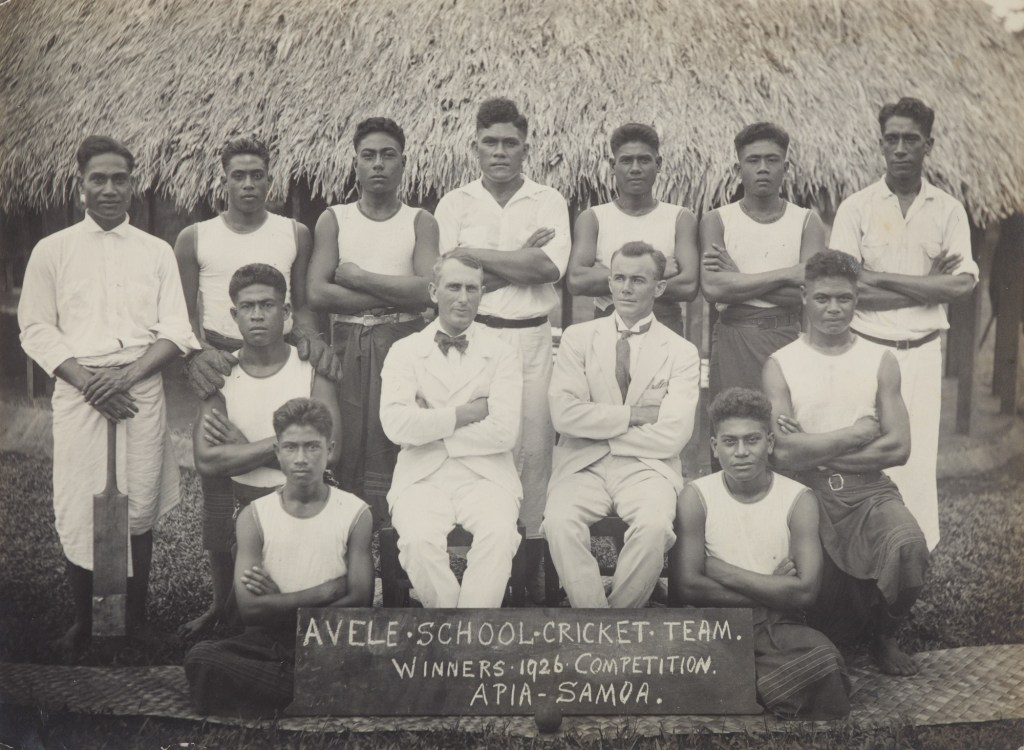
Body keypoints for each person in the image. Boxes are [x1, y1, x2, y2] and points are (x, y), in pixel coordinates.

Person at [18, 135, 199, 657]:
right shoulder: (51, 251)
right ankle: (84, 622)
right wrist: (88, 381)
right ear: (80, 187)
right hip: (79, 393)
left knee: (137, 504)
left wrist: (125, 378)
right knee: (81, 503)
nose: (109, 189)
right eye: (98, 179)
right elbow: (35, 329)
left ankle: (134, 622)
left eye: (120, 178)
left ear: (133, 184)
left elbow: (176, 331)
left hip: (139, 389)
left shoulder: (156, 251)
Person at [174, 136, 337, 637]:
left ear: (271, 178)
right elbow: (181, 316)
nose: (248, 184)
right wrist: (198, 359)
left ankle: (287, 584)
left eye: (257, 175)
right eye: (237, 176)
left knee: (285, 463)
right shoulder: (194, 237)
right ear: (221, 181)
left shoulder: (294, 231)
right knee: (220, 484)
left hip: (280, 353)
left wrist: (310, 343)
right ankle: (221, 601)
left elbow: (304, 306)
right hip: (221, 363)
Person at [763, 250, 930, 676]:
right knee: (823, 617)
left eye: (844, 299)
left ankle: (884, 637)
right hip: (807, 489)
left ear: (857, 299)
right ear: (804, 296)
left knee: (909, 548)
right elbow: (781, 453)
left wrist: (814, 445)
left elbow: (898, 448)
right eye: (822, 299)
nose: (833, 309)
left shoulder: (880, 359)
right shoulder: (782, 363)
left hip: (869, 488)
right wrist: (854, 434)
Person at [434, 97, 571, 602]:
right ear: (475, 146)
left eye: (509, 143)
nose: (499, 152)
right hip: (478, 337)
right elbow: (449, 280)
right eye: (489, 142)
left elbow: (546, 270)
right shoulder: (455, 203)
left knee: (533, 451)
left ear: (525, 147)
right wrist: (518, 256)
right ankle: (486, 575)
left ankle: (530, 581)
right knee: (482, 447)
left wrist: (472, 259)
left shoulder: (548, 200)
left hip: (532, 336)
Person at [829, 97, 979, 551]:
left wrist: (879, 277)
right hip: (867, 348)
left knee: (914, 459)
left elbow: (962, 286)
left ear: (928, 145)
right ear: (880, 144)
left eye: (910, 139)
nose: (900, 148)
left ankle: (911, 556)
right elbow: (845, 289)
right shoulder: (856, 207)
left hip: (922, 351)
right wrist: (926, 283)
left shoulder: (948, 209)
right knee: (865, 451)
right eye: (891, 139)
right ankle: (859, 553)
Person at [669, 388, 850, 719]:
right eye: (730, 442)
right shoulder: (696, 496)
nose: (741, 452)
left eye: (752, 440)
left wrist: (720, 570)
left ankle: (748, 684)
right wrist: (772, 588)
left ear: (768, 443)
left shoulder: (798, 498)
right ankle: (745, 684)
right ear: (714, 447)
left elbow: (806, 592)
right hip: (714, 626)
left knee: (825, 664)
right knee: (683, 668)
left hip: (778, 626)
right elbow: (687, 587)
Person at [185, 398, 372, 715]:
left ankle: (280, 692)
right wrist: (325, 592)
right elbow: (250, 611)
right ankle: (310, 692)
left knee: (359, 659)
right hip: (268, 642)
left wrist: (279, 603)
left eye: (313, 447)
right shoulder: (254, 516)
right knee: (200, 657)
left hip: (330, 639)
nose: (301, 459)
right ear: (277, 452)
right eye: (290, 448)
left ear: (330, 449)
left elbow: (360, 602)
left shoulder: (355, 512)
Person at [185, 263, 342, 636]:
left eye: (268, 305)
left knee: (285, 621)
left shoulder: (310, 369)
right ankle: (224, 605)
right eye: (248, 307)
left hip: (300, 501)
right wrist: (291, 446)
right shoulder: (220, 372)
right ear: (234, 315)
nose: (257, 315)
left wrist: (243, 448)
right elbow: (207, 460)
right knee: (248, 625)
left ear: (286, 313)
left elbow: (331, 453)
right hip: (242, 501)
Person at [543, 242, 700, 608]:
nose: (627, 288)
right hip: (582, 465)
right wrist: (634, 416)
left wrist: (597, 427)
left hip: (647, 468)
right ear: (610, 283)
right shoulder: (577, 339)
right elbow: (564, 415)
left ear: (659, 288)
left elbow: (673, 435)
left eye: (639, 280)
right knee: (559, 522)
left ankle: (619, 622)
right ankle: (594, 620)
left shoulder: (680, 351)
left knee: (655, 526)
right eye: (619, 278)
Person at [308, 117, 438, 526]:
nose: (378, 163)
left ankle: (402, 566)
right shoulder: (335, 218)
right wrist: (391, 291)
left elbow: (426, 291)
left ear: (403, 162)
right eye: (369, 156)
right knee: (345, 444)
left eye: (388, 155)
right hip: (348, 346)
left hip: (403, 344)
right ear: (356, 163)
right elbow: (318, 292)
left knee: (400, 444)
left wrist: (360, 277)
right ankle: (352, 556)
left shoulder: (420, 220)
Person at [379, 255, 523, 608]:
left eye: (471, 288)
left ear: (482, 294)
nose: (463, 298)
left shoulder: (503, 352)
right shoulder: (404, 351)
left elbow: (504, 433)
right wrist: (468, 413)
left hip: (487, 475)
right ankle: (452, 628)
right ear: (433, 291)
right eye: (453, 287)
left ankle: (471, 633)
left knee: (500, 534)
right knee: (417, 541)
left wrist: (430, 424)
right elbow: (395, 424)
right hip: (421, 476)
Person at [700, 122, 826, 399]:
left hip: (785, 336)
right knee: (733, 426)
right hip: (734, 336)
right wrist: (787, 274)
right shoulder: (717, 220)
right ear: (738, 169)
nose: (763, 168)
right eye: (753, 160)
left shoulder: (807, 221)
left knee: (784, 426)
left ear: (786, 167)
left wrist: (738, 278)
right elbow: (713, 290)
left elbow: (809, 294)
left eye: (772, 160)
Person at [565, 123, 699, 336]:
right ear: (612, 165)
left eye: (644, 160)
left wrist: (608, 278)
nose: (635, 168)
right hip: (608, 326)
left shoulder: (680, 218)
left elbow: (689, 286)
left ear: (658, 164)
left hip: (664, 328)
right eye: (626, 160)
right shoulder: (593, 218)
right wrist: (656, 273)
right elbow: (576, 281)